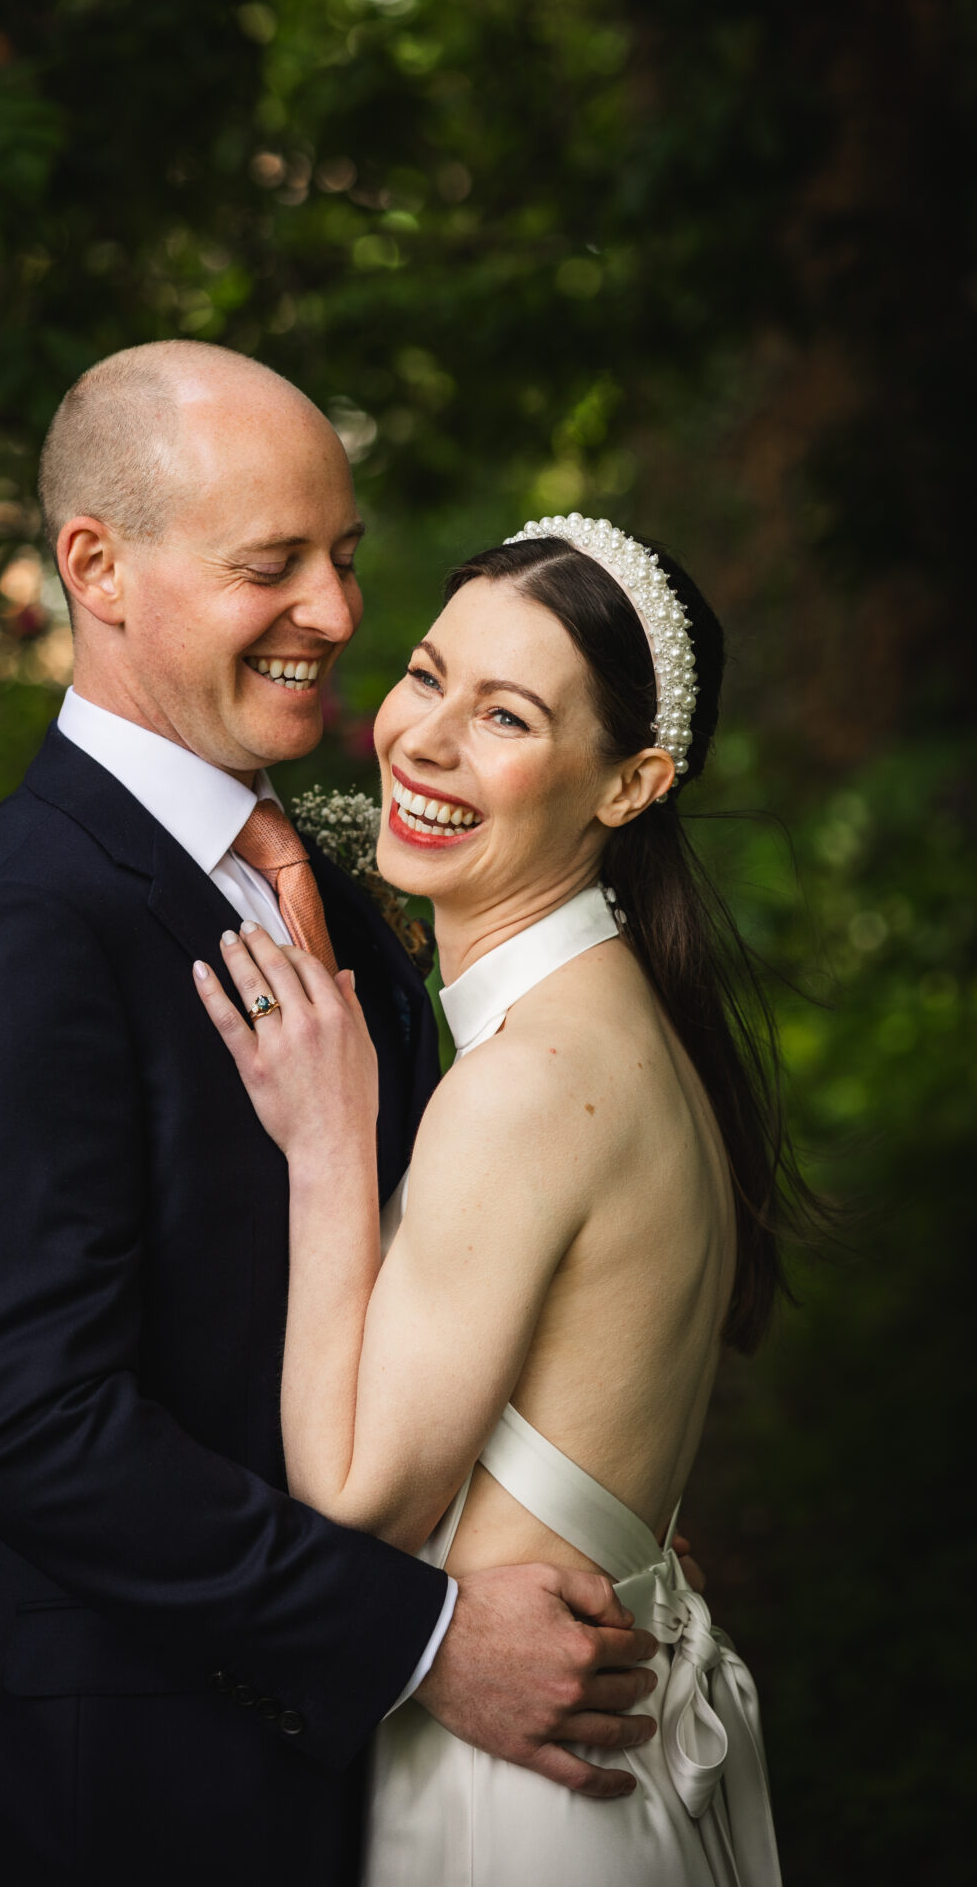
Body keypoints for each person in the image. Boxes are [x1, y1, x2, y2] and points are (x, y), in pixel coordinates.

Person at [0, 353, 664, 1887]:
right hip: (102, 1796)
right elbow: (32, 1430)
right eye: (269, 566)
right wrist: (419, 1641)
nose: (339, 617)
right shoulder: (20, 936)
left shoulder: (342, 905)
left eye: (344, 561)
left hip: (357, 1790)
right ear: (98, 567)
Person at [196, 514, 793, 1885]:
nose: (423, 741)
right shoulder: (627, 1032)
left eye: (508, 715)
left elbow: (350, 1507)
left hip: (519, 1794)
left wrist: (330, 1144)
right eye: (425, 676)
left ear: (629, 783)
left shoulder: (526, 1082)